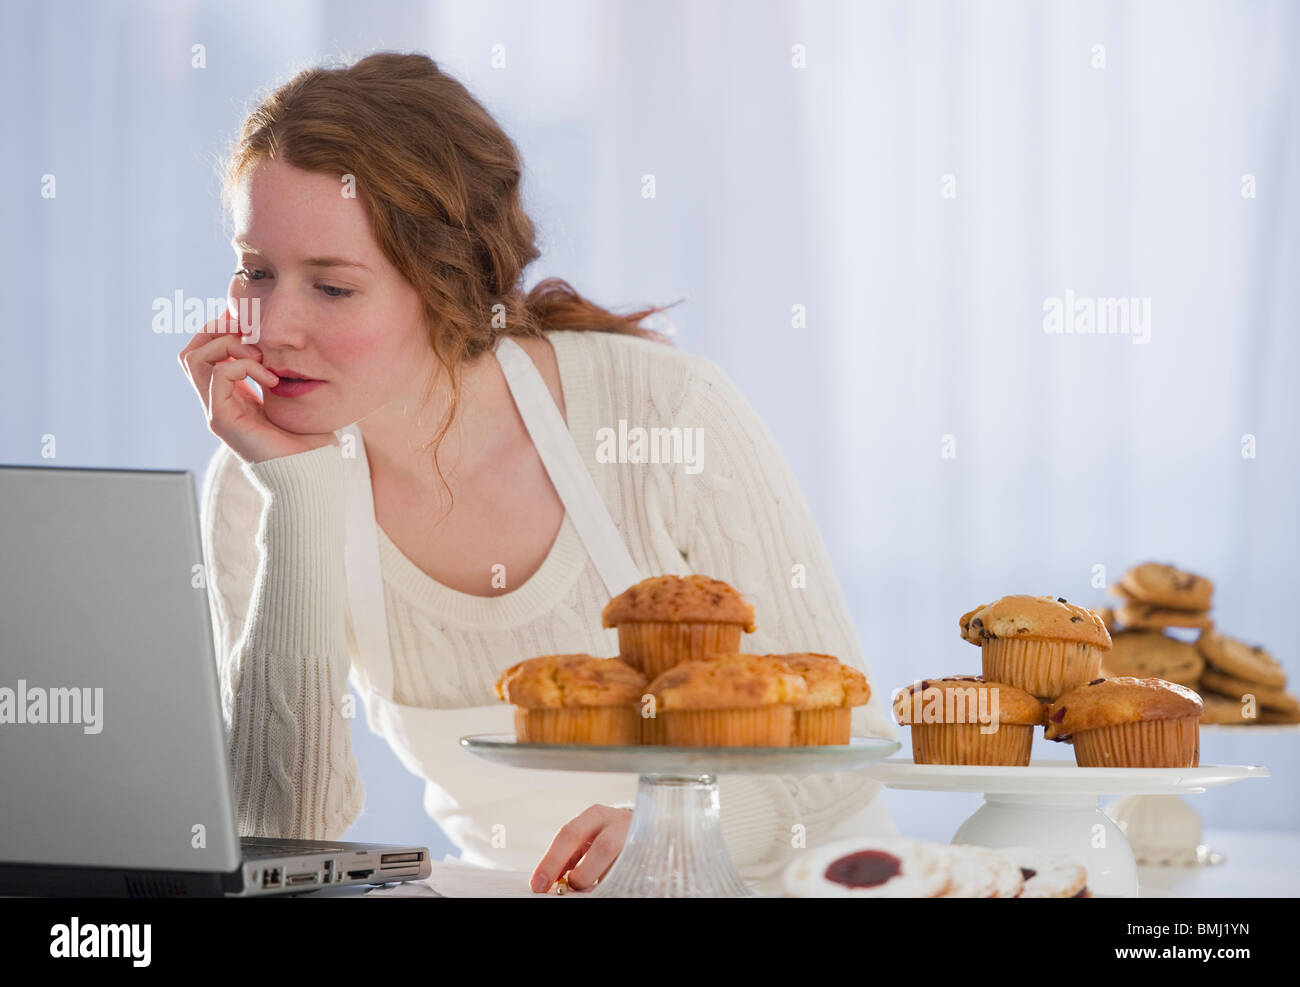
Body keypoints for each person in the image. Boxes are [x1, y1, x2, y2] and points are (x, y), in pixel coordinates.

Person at [180, 51, 898, 894]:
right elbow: (277, 840)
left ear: (445, 284)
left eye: (332, 288)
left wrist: (682, 831)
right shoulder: (259, 482)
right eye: (256, 270)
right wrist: (297, 501)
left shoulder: (664, 416)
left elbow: (843, 754)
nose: (275, 326)